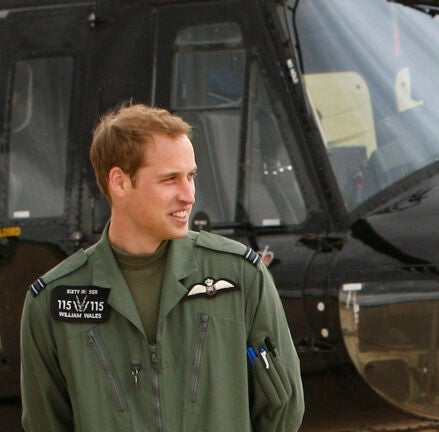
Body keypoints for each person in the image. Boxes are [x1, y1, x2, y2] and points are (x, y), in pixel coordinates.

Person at [19, 103, 304, 431]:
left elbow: (283, 407)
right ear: (119, 182)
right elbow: (45, 422)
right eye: (170, 179)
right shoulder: (52, 301)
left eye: (191, 176)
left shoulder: (240, 276)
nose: (189, 195)